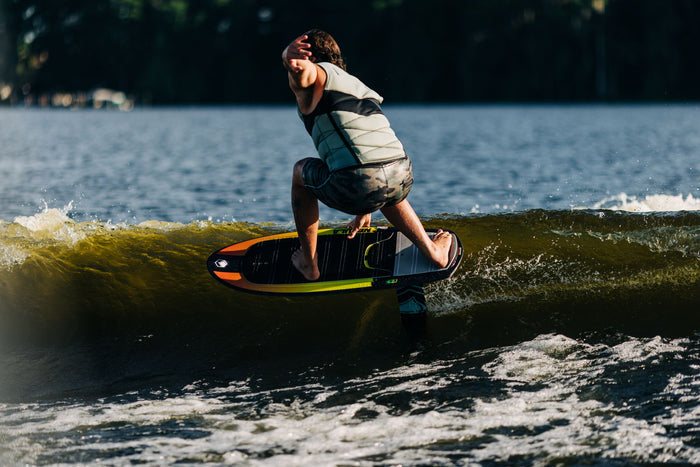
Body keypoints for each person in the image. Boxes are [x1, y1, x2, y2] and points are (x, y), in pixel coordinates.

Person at [282, 29, 452, 281]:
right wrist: (366, 208)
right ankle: (433, 251)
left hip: (360, 180)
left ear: (312, 57)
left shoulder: (315, 75)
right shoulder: (355, 85)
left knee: (300, 172)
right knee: (381, 177)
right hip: (401, 175)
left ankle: (310, 264)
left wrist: (289, 55)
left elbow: (298, 70)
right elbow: (367, 144)